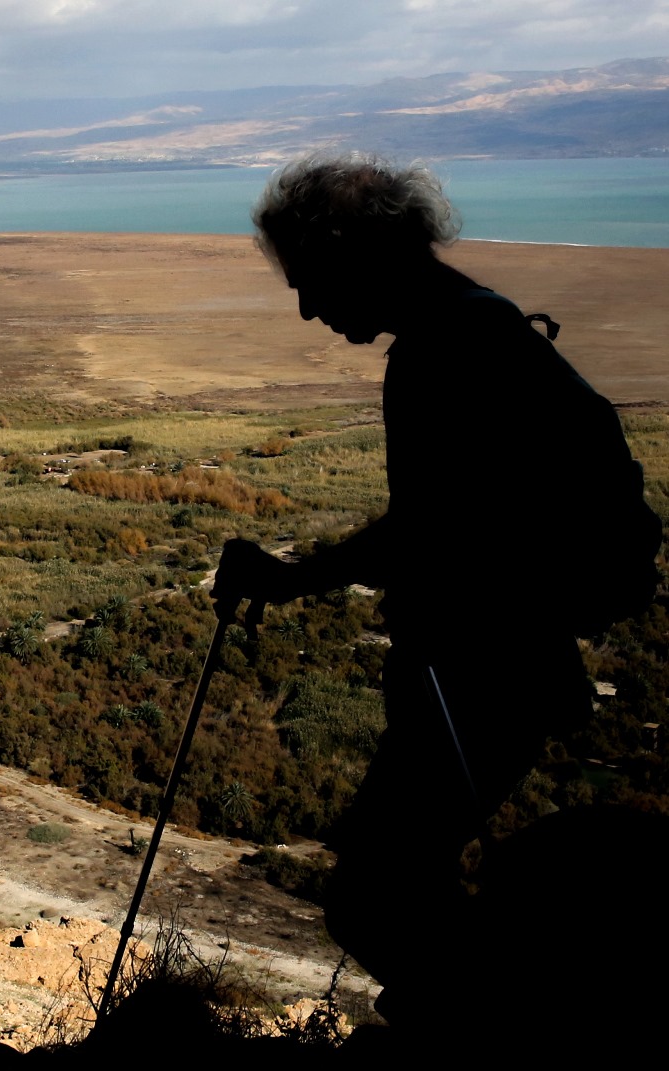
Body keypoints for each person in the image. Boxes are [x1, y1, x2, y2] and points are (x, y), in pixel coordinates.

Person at [214, 151, 624, 1025]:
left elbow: (428, 531)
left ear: (361, 255)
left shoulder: (446, 353)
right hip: (499, 665)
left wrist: (291, 578)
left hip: (480, 675)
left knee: (375, 893)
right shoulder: (474, 328)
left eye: (312, 279)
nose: (308, 307)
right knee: (396, 880)